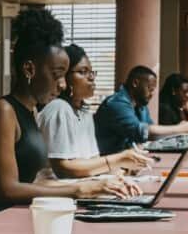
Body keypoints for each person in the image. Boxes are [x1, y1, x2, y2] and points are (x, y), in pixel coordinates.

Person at [0, 8, 135, 213]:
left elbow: (35, 180)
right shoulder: (4, 111)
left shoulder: (32, 111)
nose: (63, 85)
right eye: (57, 75)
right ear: (29, 69)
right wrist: (79, 189)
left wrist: (101, 185)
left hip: (14, 213)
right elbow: (8, 189)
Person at [38, 44, 150, 179]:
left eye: (91, 72)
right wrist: (118, 159)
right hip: (56, 193)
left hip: (81, 187)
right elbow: (63, 169)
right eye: (82, 72)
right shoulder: (59, 108)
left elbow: (92, 161)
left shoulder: (84, 113)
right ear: (65, 77)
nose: (91, 77)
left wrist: (123, 169)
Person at [94, 65, 188, 154]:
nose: (152, 94)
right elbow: (143, 132)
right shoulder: (116, 103)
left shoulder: (141, 105)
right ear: (135, 83)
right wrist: (179, 129)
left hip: (126, 160)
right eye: (150, 89)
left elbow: (152, 134)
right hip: (107, 162)